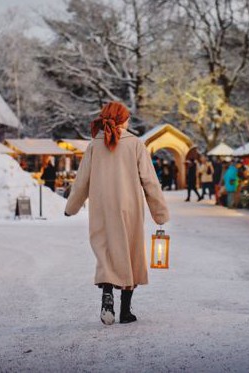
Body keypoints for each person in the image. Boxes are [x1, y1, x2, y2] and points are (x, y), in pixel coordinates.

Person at [64, 101, 169, 325]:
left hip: (101, 207)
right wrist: (159, 214)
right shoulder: (135, 144)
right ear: (122, 119)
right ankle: (125, 311)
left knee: (106, 251)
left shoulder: (94, 145)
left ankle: (107, 295)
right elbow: (150, 181)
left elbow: (82, 181)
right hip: (129, 207)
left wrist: (71, 208)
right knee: (131, 254)